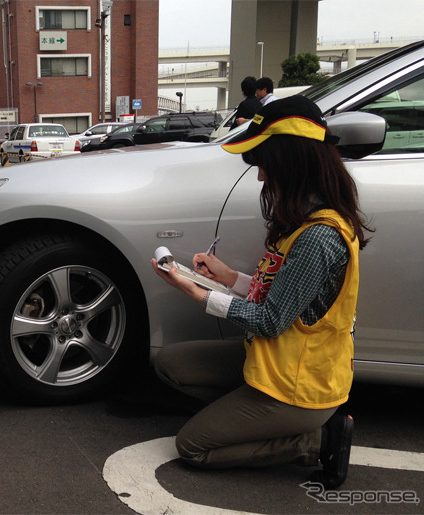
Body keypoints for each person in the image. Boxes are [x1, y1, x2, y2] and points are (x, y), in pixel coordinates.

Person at [150, 96, 371, 489]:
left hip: (300, 387)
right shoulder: (305, 221)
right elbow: (280, 294)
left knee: (193, 447)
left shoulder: (319, 236)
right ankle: (252, 417)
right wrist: (227, 276)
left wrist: (197, 292)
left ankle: (314, 441)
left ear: (291, 161)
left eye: (263, 163)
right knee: (172, 363)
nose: (260, 177)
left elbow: (270, 320)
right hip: (274, 364)